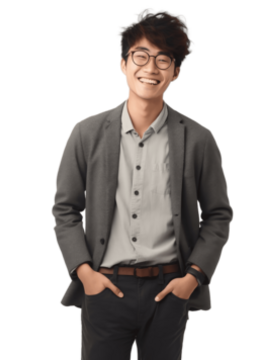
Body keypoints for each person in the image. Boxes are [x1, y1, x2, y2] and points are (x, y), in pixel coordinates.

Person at [51, 6, 232, 359]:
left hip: (170, 290)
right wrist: (85, 272)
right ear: (122, 63)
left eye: (163, 60)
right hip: (105, 288)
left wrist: (193, 277)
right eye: (141, 56)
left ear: (177, 71)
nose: (150, 68)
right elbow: (65, 209)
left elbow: (219, 214)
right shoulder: (85, 133)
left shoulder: (198, 139)